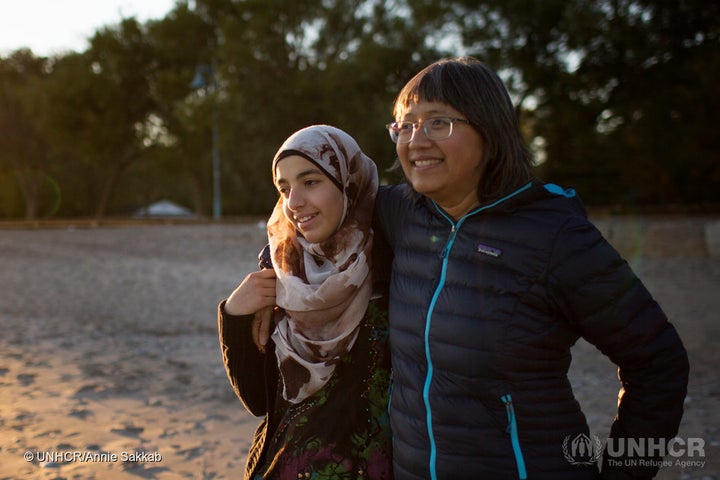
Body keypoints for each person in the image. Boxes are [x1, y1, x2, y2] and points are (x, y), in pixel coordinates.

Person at [374, 56, 689, 480]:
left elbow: (658, 360)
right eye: (405, 125)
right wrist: (263, 279)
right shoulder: (401, 213)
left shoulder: (555, 235)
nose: (416, 140)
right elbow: (313, 209)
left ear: (489, 129)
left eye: (438, 123)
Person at [218, 125, 393, 479]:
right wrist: (234, 314)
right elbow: (257, 399)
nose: (293, 203)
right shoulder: (283, 269)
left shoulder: (395, 264)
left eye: (311, 182)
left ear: (350, 182)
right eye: (284, 189)